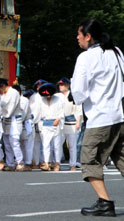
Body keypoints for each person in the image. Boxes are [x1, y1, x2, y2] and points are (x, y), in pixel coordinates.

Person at [71, 19, 124, 217]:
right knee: (121, 157)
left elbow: (79, 91)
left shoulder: (86, 57)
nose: (77, 37)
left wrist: (75, 96)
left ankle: (104, 202)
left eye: (79, 34)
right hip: (120, 115)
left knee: (89, 159)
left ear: (88, 36)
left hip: (100, 118)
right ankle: (104, 202)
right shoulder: (117, 52)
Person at [32, 83, 64, 172]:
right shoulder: (40, 100)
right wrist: (33, 120)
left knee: (57, 145)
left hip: (55, 123)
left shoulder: (58, 99)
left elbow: (61, 111)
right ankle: (46, 162)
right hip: (45, 123)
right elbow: (37, 112)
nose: (47, 97)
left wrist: (58, 119)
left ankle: (57, 163)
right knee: (45, 145)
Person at [0, 78, 23, 171]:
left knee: (14, 142)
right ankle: (10, 163)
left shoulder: (14, 93)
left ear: (3, 85)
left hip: (13, 119)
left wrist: (3, 114)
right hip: (5, 119)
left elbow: (11, 108)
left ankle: (20, 162)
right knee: (7, 143)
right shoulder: (2, 95)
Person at [57, 77, 83, 171]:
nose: (60, 86)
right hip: (61, 122)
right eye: (59, 85)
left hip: (71, 122)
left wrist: (78, 122)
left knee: (72, 145)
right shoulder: (57, 96)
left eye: (62, 84)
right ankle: (57, 163)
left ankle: (72, 164)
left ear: (68, 85)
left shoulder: (73, 95)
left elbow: (78, 110)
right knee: (58, 144)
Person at [19, 89, 35, 171]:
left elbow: (23, 114)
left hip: (26, 123)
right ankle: (21, 162)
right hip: (18, 124)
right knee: (21, 144)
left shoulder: (24, 100)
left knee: (28, 145)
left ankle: (28, 163)